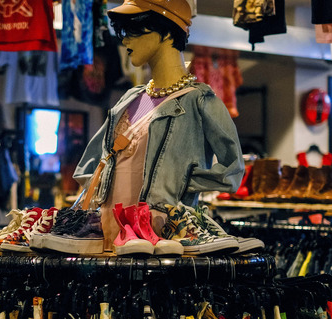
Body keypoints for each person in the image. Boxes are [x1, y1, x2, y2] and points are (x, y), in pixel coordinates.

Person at [73, 0, 244, 248]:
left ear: (165, 31)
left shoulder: (199, 101)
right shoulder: (134, 99)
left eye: (132, 31)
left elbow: (233, 171)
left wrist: (180, 184)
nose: (125, 41)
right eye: (123, 32)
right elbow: (90, 164)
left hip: (159, 242)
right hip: (105, 236)